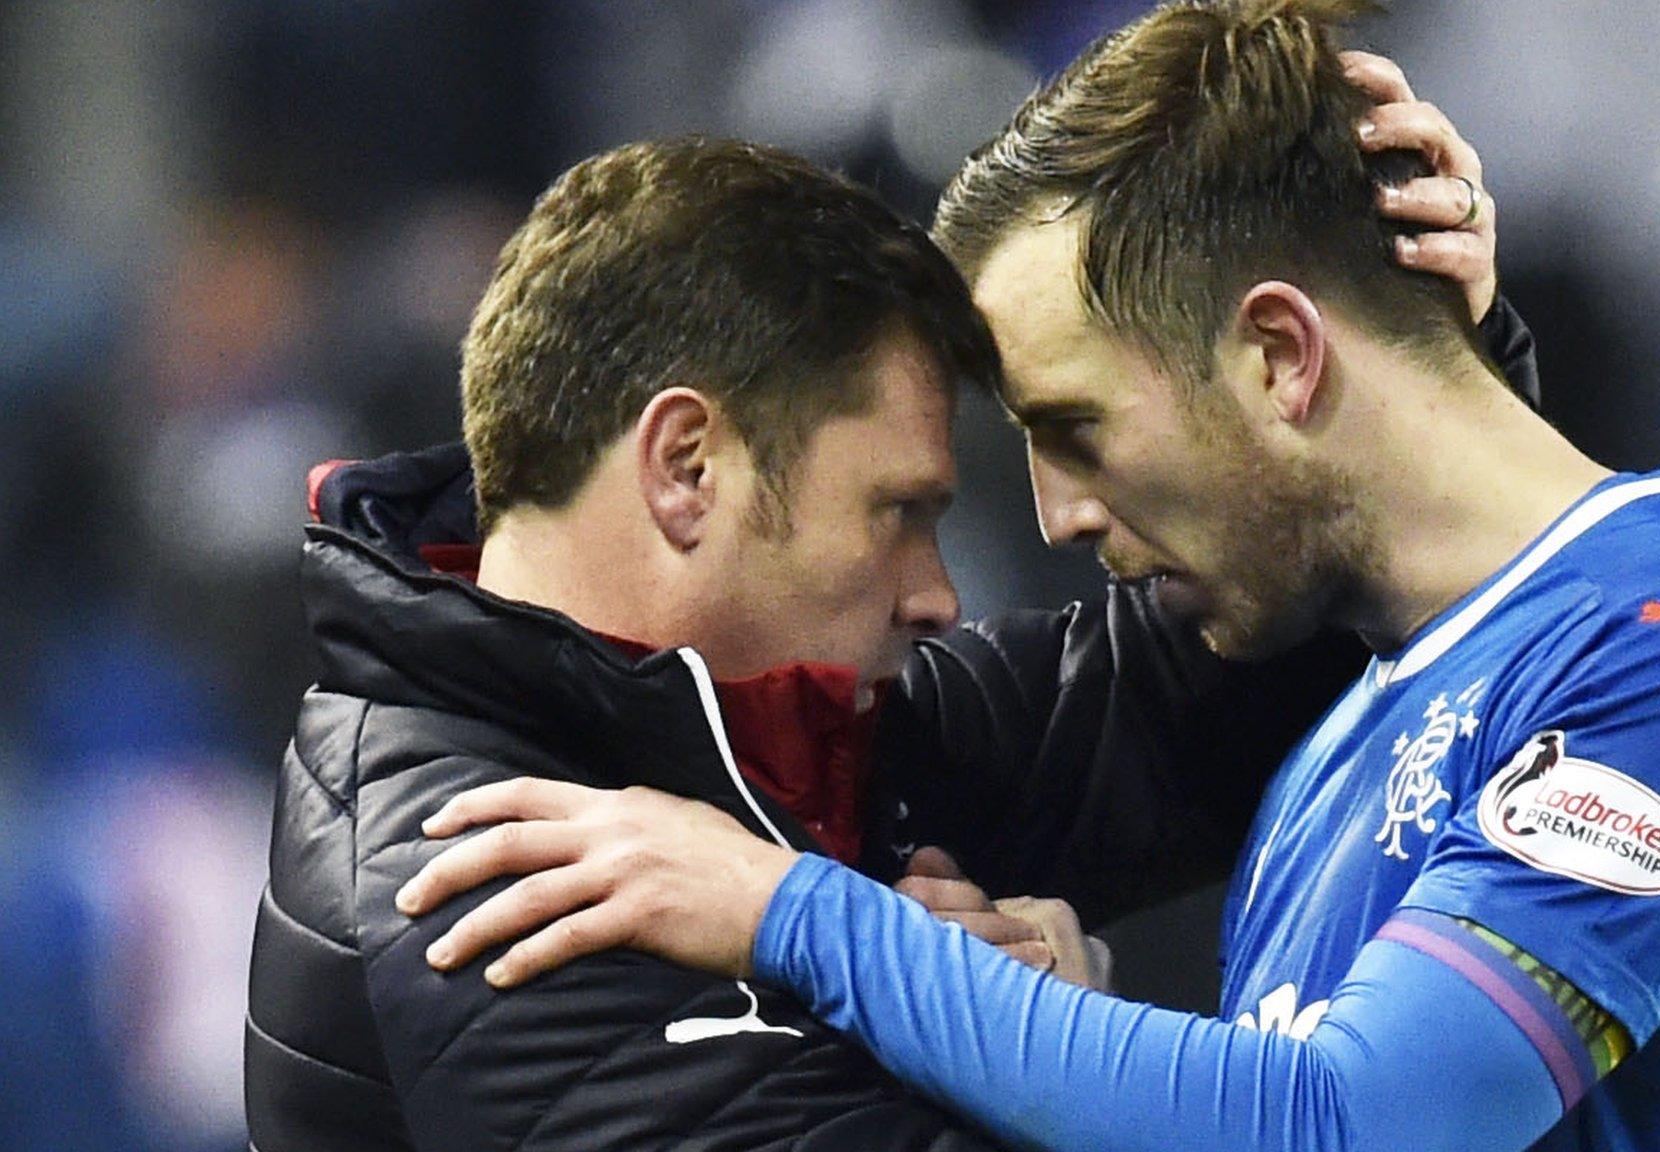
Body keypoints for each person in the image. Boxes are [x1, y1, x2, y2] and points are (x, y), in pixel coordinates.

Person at [398, 1, 1660, 1150]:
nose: (1056, 517)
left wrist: (795, 915)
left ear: (1277, 352)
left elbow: (1352, 1126)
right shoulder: (1360, 697)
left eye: (1076, 429)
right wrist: (1055, 1027)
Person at [249, 81, 1537, 1151]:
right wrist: (1025, 1018)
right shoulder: (473, 877)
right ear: (687, 467)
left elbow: (1251, 660)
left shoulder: (815, 727)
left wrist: (1413, 364)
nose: (941, 593)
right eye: (894, 512)